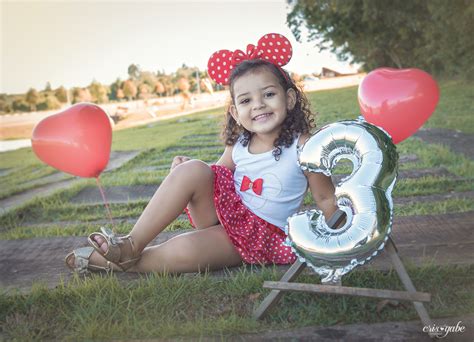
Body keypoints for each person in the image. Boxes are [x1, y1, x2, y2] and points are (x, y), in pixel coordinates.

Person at [66, 33, 338, 274]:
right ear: (235, 112)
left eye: (268, 94)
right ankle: (131, 243)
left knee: (184, 250)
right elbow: (215, 176)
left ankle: (111, 262)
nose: (258, 105)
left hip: (259, 235)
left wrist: (340, 235)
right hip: (226, 216)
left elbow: (325, 198)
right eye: (245, 100)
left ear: (289, 99)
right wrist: (185, 173)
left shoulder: (304, 145)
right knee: (194, 168)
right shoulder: (240, 143)